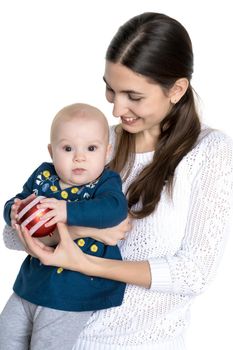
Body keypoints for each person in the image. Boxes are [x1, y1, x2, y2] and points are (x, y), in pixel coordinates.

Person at [2, 11, 233, 350]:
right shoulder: (95, 144)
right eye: (110, 90)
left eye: (133, 96)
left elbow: (193, 273)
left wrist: (83, 261)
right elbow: (11, 235)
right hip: (52, 329)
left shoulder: (208, 152)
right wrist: (82, 230)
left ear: (177, 89)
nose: (116, 109)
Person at [0, 103, 128, 349]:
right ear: (51, 151)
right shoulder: (43, 176)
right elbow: (15, 202)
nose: (79, 157)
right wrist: (13, 211)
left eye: (91, 148)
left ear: (107, 152)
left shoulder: (105, 182)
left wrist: (67, 210)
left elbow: (115, 209)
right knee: (6, 336)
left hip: (73, 292)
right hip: (30, 284)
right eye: (67, 148)